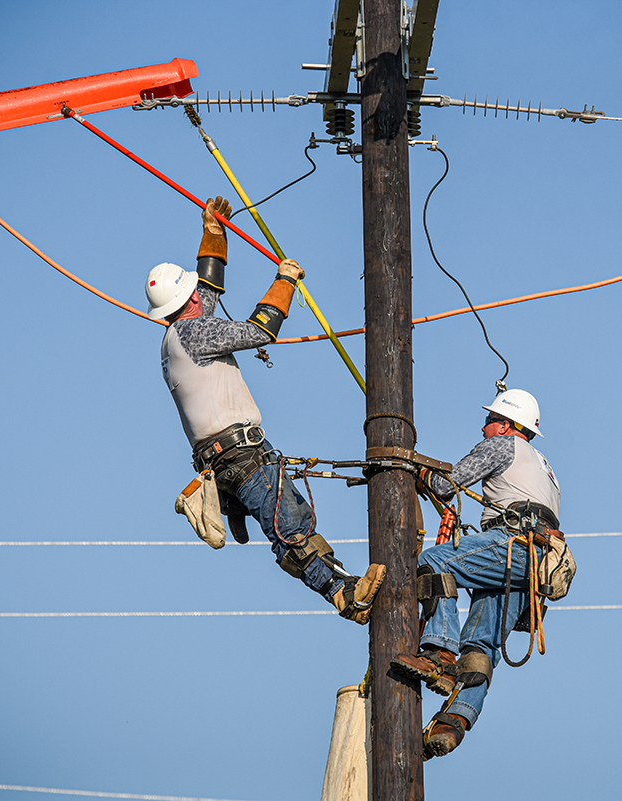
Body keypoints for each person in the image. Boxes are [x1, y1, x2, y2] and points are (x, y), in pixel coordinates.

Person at [145, 197, 385, 623]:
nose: (201, 296)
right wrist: (285, 280)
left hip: (229, 459)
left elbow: (207, 290)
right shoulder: (193, 331)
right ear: (185, 302)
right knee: (289, 527)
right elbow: (260, 330)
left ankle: (341, 584)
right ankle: (342, 594)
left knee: (294, 517)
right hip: (239, 457)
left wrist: (213, 233)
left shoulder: (179, 335)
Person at [391, 388, 571, 758]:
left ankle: (439, 652)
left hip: (513, 546)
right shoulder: (546, 468)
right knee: (481, 644)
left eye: (489, 421)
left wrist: (414, 470)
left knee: (435, 562)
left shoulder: (501, 446)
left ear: (506, 425)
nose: (484, 427)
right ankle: (454, 721)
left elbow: (445, 484)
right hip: (538, 564)